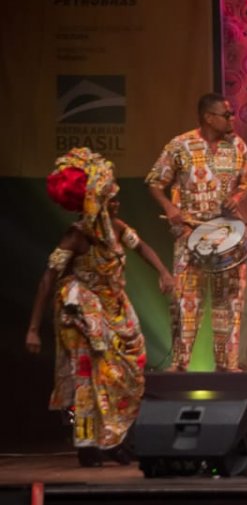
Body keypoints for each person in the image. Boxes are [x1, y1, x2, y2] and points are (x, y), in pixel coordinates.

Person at [27, 148, 174, 466]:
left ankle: (113, 438)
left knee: (126, 370)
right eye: (111, 198)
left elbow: (142, 247)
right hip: (82, 312)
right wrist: (33, 329)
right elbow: (48, 278)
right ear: (95, 202)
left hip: (114, 306)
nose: (117, 202)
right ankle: (87, 445)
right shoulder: (76, 236)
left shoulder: (118, 228)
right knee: (88, 375)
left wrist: (163, 272)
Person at [146, 93, 247, 372]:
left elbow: (245, 183)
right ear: (208, 118)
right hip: (190, 234)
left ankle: (227, 364)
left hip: (227, 235)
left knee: (229, 301)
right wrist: (169, 207)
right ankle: (180, 364)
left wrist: (236, 198)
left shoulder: (238, 146)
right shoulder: (180, 145)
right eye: (226, 115)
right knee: (185, 301)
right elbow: (155, 182)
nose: (232, 119)